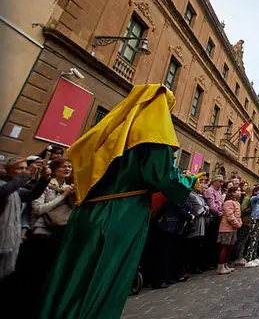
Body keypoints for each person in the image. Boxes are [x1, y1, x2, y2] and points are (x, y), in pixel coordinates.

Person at [37, 84, 200, 319]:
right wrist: (188, 181)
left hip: (88, 210)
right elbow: (163, 178)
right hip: (121, 213)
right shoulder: (154, 135)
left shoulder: (110, 130)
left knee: (71, 275)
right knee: (105, 276)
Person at [13, 158, 75, 305]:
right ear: (54, 169)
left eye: (69, 167)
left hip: (57, 236)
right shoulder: (46, 186)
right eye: (63, 166)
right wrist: (63, 196)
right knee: (29, 276)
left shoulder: (68, 187)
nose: (67, 169)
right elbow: (38, 209)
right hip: (39, 236)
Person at [0, 157, 48, 283]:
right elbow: (4, 192)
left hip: (7, 240)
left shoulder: (17, 190)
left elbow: (31, 195)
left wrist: (43, 179)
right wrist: (26, 175)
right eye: (20, 168)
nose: (24, 171)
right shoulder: (4, 186)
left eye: (25, 168)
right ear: (9, 170)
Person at [183, 179, 209, 274]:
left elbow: (206, 208)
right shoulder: (191, 196)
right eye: (196, 184)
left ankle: (195, 265)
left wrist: (205, 209)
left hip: (202, 225)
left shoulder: (200, 197)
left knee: (198, 246)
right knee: (191, 246)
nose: (198, 185)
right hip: (195, 224)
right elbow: (199, 211)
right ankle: (188, 267)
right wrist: (205, 209)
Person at [218, 186, 243, 275]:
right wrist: (237, 224)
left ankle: (225, 264)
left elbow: (238, 215)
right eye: (238, 190)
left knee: (230, 247)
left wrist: (239, 223)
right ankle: (221, 266)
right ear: (232, 192)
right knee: (225, 247)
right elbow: (230, 216)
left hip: (233, 228)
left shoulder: (237, 203)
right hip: (226, 228)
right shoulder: (228, 203)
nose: (240, 192)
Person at [203, 175, 224, 269]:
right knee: (210, 240)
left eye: (222, 181)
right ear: (214, 181)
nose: (221, 183)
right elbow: (212, 205)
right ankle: (206, 262)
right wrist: (219, 213)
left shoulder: (219, 190)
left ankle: (213, 261)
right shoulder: (210, 190)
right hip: (212, 217)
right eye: (220, 181)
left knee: (216, 240)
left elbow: (220, 203)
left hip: (219, 216)